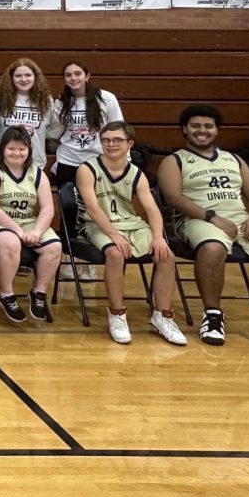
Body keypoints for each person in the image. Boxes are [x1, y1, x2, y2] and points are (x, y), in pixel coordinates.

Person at [157, 103, 249, 346]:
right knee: (213, 248)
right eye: (195, 126)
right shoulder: (175, 160)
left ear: (217, 130)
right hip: (197, 220)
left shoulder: (233, 158)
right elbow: (174, 198)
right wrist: (212, 217)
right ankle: (213, 315)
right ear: (185, 129)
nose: (202, 130)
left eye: (208, 126)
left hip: (241, 219)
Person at [76, 121, 186, 346]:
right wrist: (114, 234)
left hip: (132, 224)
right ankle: (117, 314)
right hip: (95, 225)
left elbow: (152, 209)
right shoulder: (87, 169)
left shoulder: (137, 173)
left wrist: (157, 237)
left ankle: (162, 317)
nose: (111, 144)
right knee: (115, 254)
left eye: (117, 140)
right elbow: (92, 208)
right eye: (106, 140)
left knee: (167, 255)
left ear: (129, 144)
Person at [0, 127, 61, 323]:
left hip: (26, 219)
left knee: (54, 246)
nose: (17, 153)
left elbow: (47, 209)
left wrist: (37, 231)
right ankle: (5, 294)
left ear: (29, 150)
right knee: (11, 242)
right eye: (12, 148)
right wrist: (18, 231)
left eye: (22, 149)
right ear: (2, 148)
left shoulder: (36, 173)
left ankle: (39, 292)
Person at [48, 61, 123, 187]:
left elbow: (119, 130)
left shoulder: (106, 98)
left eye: (78, 74)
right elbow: (56, 131)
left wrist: (124, 159)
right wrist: (31, 130)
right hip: (68, 161)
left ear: (87, 76)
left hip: (97, 160)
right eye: (68, 75)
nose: (73, 78)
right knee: (69, 204)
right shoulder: (61, 101)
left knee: (95, 203)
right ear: (65, 79)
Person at [0, 57, 55, 167]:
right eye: (18, 76)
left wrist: (37, 132)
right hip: (2, 162)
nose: (23, 79)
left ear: (35, 77)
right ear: (11, 77)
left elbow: (56, 127)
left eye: (28, 75)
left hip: (34, 162)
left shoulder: (45, 99)